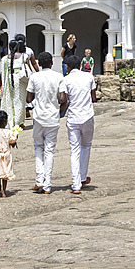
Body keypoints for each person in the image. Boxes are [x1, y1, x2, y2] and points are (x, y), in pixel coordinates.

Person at [58, 54, 96, 195]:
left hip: (73, 117)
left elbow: (63, 100)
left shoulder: (65, 79)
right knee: (86, 146)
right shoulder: (89, 77)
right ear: (80, 65)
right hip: (87, 115)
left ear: (67, 67)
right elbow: (94, 97)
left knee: (74, 150)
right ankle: (82, 177)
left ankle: (76, 185)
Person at [26, 52, 63, 194]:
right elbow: (63, 98)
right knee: (50, 151)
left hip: (39, 117)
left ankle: (39, 180)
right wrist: (58, 111)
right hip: (53, 117)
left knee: (38, 148)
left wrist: (37, 98)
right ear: (52, 63)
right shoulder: (59, 76)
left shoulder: (34, 77)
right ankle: (47, 184)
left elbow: (29, 98)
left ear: (39, 64)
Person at [0, 39, 39, 128]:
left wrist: (1, 85)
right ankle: (19, 121)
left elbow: (2, 73)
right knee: (20, 101)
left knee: (9, 101)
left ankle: (10, 120)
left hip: (9, 81)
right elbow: (28, 69)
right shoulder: (23, 56)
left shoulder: (5, 59)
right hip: (21, 81)